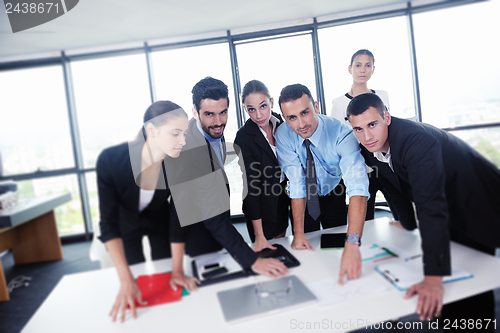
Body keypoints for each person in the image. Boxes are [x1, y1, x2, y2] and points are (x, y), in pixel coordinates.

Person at [347, 93, 500, 328]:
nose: (366, 136)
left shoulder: (414, 141)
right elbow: (392, 183)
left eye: (372, 124)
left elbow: (430, 206)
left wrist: (432, 278)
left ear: (386, 117)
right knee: (453, 280)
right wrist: (406, 222)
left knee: (471, 280)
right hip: (448, 202)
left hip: (478, 201)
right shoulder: (370, 144)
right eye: (358, 129)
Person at [166, 77, 289, 292]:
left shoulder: (214, 132)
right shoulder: (188, 149)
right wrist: (252, 260)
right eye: (209, 114)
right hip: (195, 233)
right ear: (194, 112)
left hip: (215, 226)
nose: (217, 121)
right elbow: (211, 216)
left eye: (223, 112)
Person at [96, 100, 189, 322]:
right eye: (176, 133)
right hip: (125, 222)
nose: (183, 141)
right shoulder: (111, 161)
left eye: (185, 133)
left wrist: (177, 270)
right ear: (151, 130)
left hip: (159, 217)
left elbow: (178, 218)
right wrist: (126, 279)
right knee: (133, 278)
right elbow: (108, 223)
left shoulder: (178, 164)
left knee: (167, 276)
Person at [275, 83, 370, 283]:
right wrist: (298, 233)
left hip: (333, 189)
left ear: (316, 107)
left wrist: (353, 243)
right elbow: (297, 182)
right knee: (306, 247)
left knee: (336, 243)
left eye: (305, 112)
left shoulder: (341, 133)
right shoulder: (284, 135)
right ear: (285, 118)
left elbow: (357, 185)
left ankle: (340, 281)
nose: (301, 124)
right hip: (303, 197)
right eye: (292, 117)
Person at [330, 49, 398, 222]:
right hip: (359, 169)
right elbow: (336, 140)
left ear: (373, 69)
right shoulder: (338, 103)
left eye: (367, 65)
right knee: (364, 219)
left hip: (384, 165)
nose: (362, 70)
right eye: (358, 65)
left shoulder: (382, 96)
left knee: (400, 212)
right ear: (349, 68)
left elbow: (389, 127)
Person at [234, 80, 290, 251]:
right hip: (260, 206)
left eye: (263, 106)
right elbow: (252, 187)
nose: (258, 115)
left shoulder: (281, 123)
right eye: (251, 109)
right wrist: (259, 235)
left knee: (283, 249)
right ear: (245, 109)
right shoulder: (243, 138)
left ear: (271, 102)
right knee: (267, 253)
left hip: (281, 199)